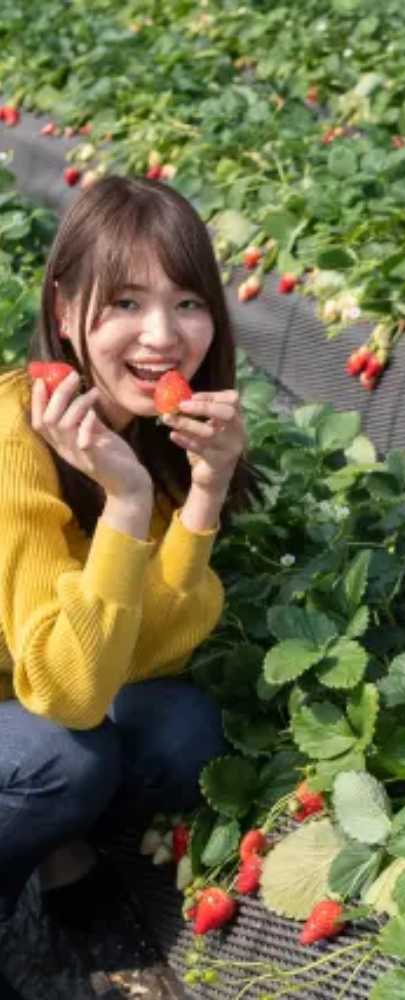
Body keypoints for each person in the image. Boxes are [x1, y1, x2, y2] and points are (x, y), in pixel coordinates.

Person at [0, 176, 250, 985]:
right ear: (66, 308)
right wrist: (128, 503)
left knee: (184, 732)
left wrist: (204, 492)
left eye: (188, 302)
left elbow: (153, 656)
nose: (162, 335)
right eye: (126, 303)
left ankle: (53, 842)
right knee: (63, 759)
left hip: (31, 703)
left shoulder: (155, 433)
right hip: (34, 712)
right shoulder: (13, 434)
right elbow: (69, 693)